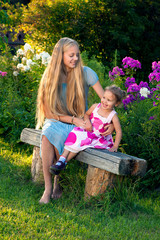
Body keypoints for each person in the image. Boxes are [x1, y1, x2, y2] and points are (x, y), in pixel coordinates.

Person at [36, 37, 114, 204]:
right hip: (57, 120)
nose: (76, 59)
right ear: (60, 55)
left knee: (65, 135)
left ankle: (58, 182)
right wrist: (72, 120)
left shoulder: (85, 73)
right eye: (71, 55)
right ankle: (48, 188)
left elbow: (106, 100)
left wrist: (112, 123)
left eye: (77, 55)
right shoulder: (50, 76)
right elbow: (48, 112)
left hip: (80, 121)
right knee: (48, 133)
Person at [50, 85, 126, 174]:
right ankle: (61, 160)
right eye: (104, 97)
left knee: (81, 142)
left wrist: (115, 146)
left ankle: (63, 162)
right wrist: (88, 122)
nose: (105, 101)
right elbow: (86, 115)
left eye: (109, 100)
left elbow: (119, 131)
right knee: (75, 134)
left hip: (98, 138)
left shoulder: (113, 116)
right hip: (87, 131)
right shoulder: (95, 107)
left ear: (116, 103)